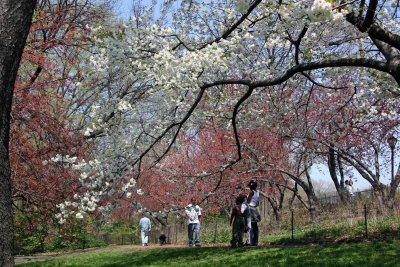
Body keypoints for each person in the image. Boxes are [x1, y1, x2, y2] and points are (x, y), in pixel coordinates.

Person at [247, 180, 261, 246]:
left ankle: (250, 242)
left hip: (250, 208)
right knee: (255, 226)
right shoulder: (257, 192)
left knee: (250, 226)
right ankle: (255, 241)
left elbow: (248, 201)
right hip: (255, 208)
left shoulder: (251, 192)